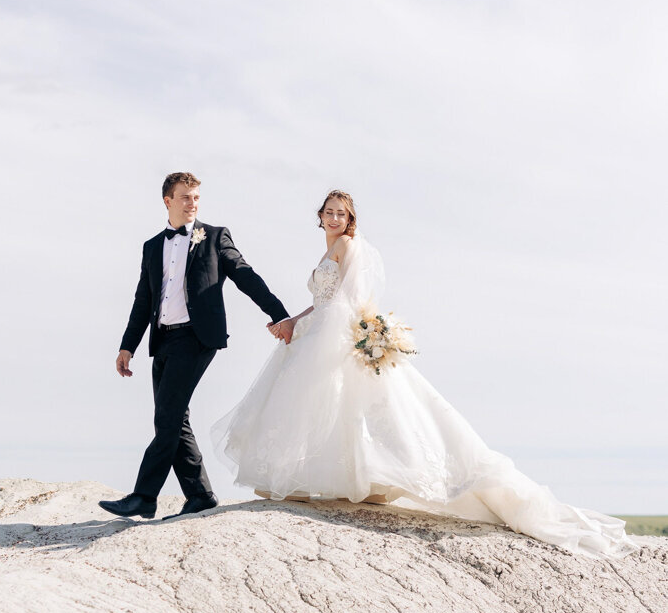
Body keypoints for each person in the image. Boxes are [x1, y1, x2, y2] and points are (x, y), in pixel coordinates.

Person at [211, 189, 637, 558]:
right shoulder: (328, 250)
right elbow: (326, 303)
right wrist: (293, 323)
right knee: (335, 410)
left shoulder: (348, 247)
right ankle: (331, 480)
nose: (335, 217)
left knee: (343, 406)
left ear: (350, 219)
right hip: (321, 331)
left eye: (343, 212)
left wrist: (310, 330)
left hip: (333, 338)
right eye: (330, 211)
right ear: (320, 215)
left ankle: (344, 480)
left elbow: (345, 303)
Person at [99, 172, 290, 521]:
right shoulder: (153, 246)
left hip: (197, 337)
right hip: (164, 339)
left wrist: (280, 315)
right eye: (185, 196)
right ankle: (199, 495)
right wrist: (128, 346)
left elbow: (245, 275)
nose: (192, 203)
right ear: (167, 200)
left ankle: (143, 496)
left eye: (196, 197)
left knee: (168, 416)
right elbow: (143, 300)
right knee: (173, 420)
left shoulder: (215, 237)